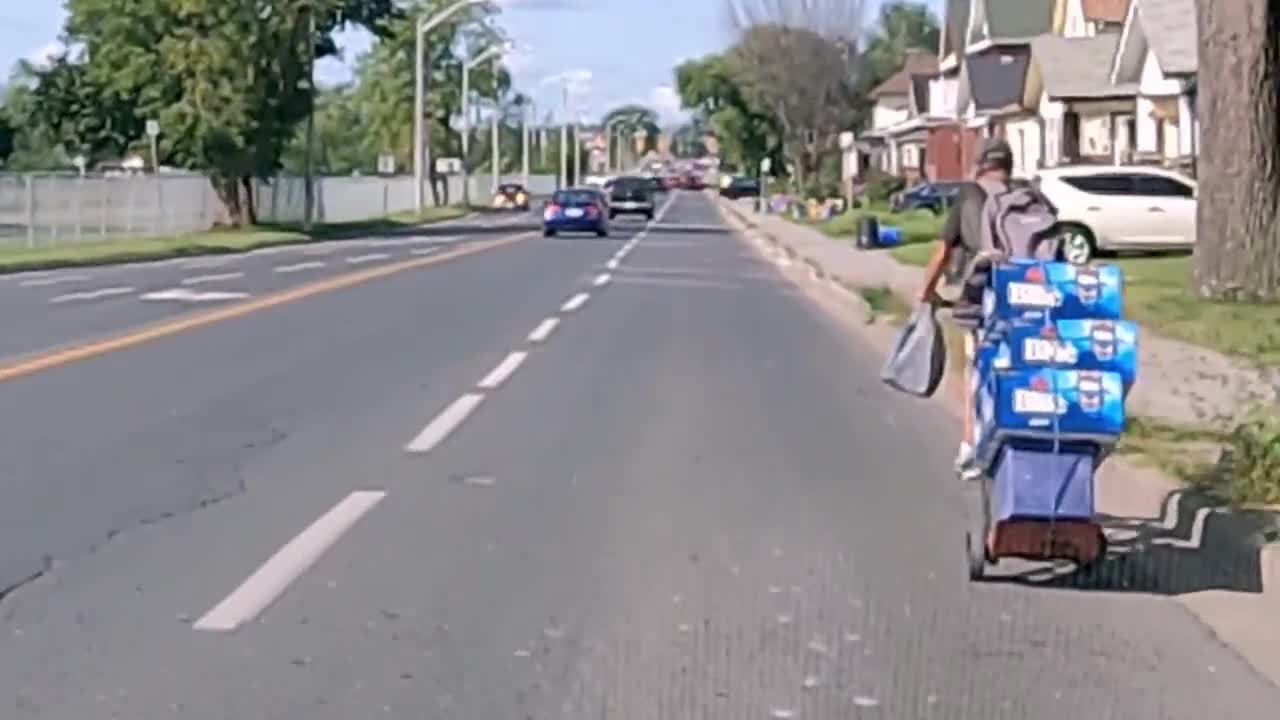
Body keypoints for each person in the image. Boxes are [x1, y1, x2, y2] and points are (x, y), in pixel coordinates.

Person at [917, 138, 1017, 478]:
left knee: (975, 369)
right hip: (1026, 297)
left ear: (979, 164)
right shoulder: (1026, 196)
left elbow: (944, 251)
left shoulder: (969, 196)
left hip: (981, 297)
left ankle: (971, 446)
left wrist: (927, 290)